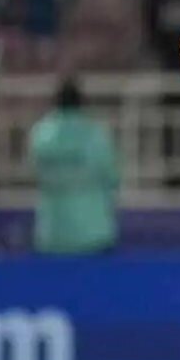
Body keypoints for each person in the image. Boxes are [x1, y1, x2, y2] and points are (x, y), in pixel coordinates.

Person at [28, 78, 119, 255]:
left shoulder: (39, 134)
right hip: (93, 236)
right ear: (81, 103)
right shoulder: (95, 134)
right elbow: (112, 176)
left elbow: (35, 173)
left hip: (51, 236)